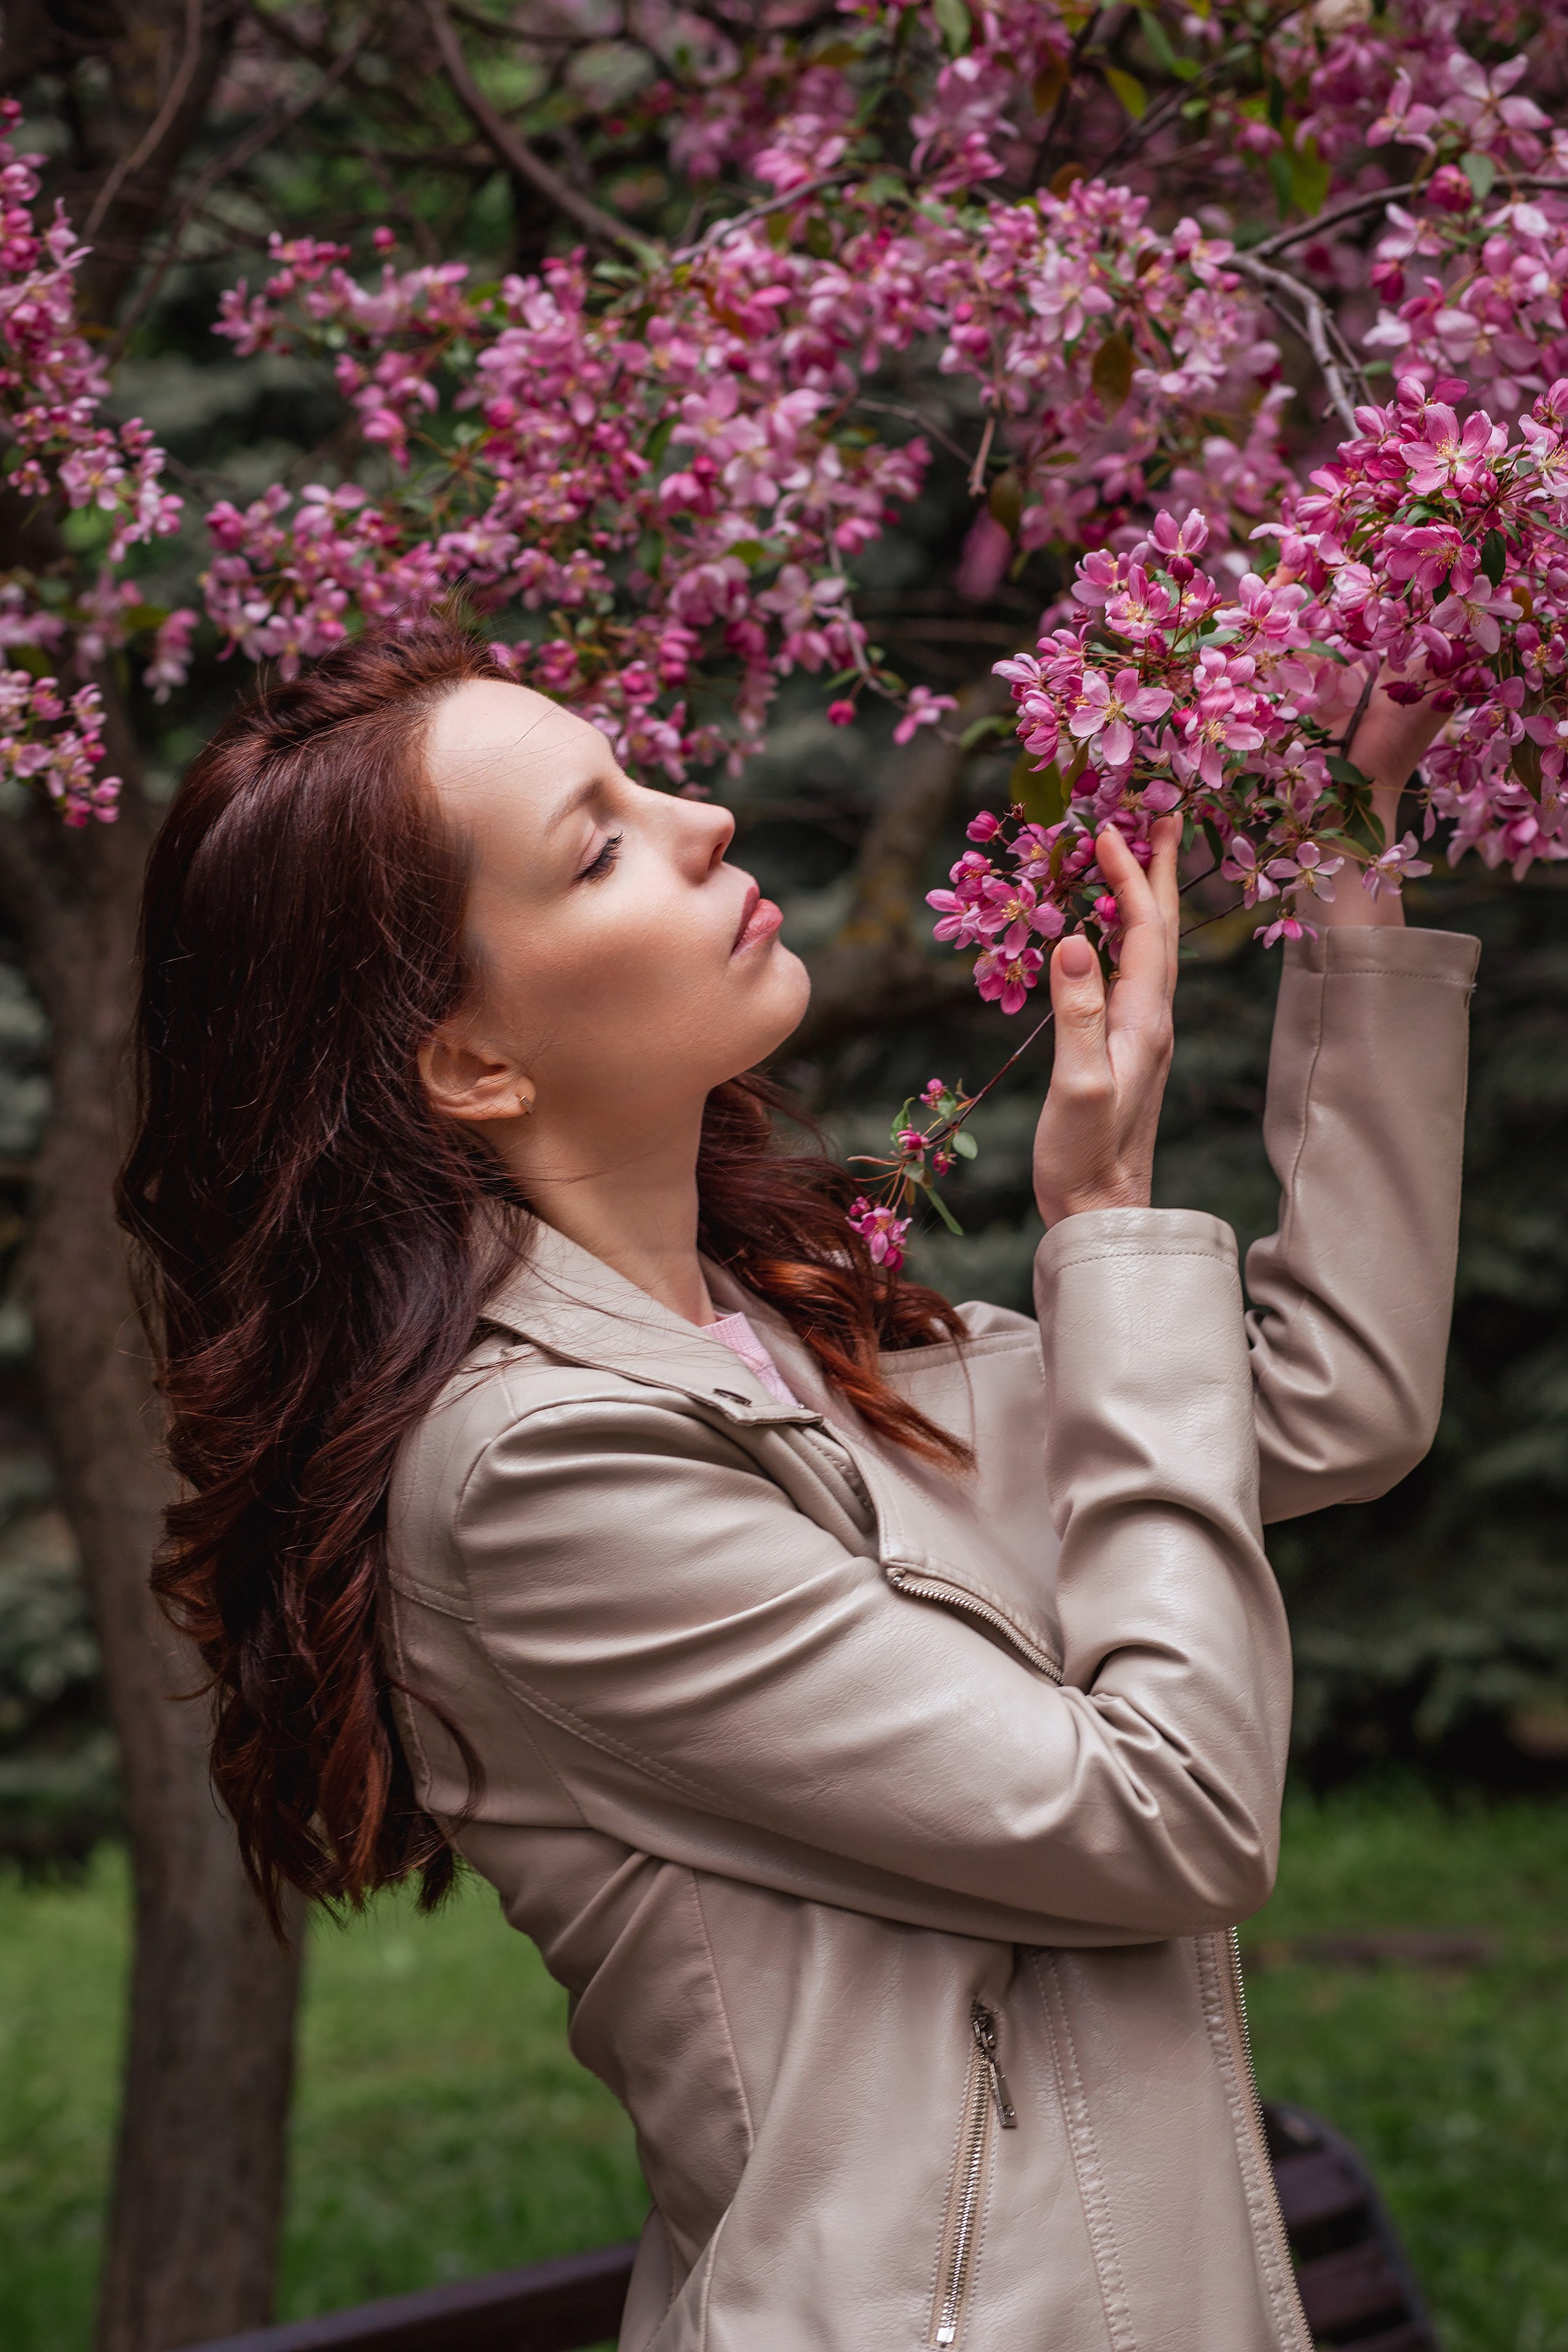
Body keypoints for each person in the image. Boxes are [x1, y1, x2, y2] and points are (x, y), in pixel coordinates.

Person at [118, 621, 1477, 2352]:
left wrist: (1347, 855)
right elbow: (1167, 1820)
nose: (699, 818)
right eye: (598, 844)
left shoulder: (794, 1335)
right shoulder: (542, 1475)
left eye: (638, 775)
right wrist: (1105, 1231)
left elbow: (1326, 1395)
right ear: (470, 1062)